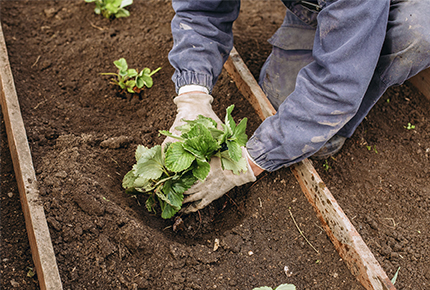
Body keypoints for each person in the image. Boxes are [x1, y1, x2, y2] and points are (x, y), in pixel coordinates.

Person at [166, 0, 430, 213]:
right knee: (281, 103)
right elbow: (200, 11)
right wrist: (193, 95)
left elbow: (335, 89)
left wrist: (249, 162)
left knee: (416, 34)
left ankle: (368, 50)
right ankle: (325, 22)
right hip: (325, 7)